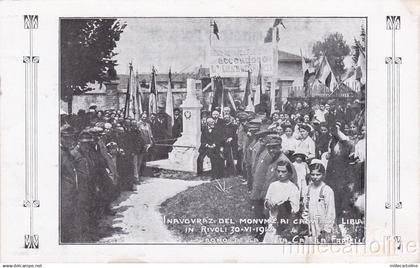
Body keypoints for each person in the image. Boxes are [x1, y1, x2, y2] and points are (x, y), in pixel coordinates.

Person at [263, 160, 300, 243]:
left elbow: (295, 209)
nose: (280, 174)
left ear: (289, 172)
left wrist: (282, 205)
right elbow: (267, 200)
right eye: (278, 171)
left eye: (283, 172)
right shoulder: (273, 185)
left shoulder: (292, 188)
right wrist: (268, 203)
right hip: (272, 220)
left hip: (285, 222)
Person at [303, 162, 336, 243]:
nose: (315, 177)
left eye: (318, 174)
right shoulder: (308, 189)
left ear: (323, 175)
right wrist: (305, 223)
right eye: (312, 174)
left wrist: (326, 229)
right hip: (311, 226)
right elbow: (305, 209)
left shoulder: (327, 190)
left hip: (322, 226)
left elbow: (330, 211)